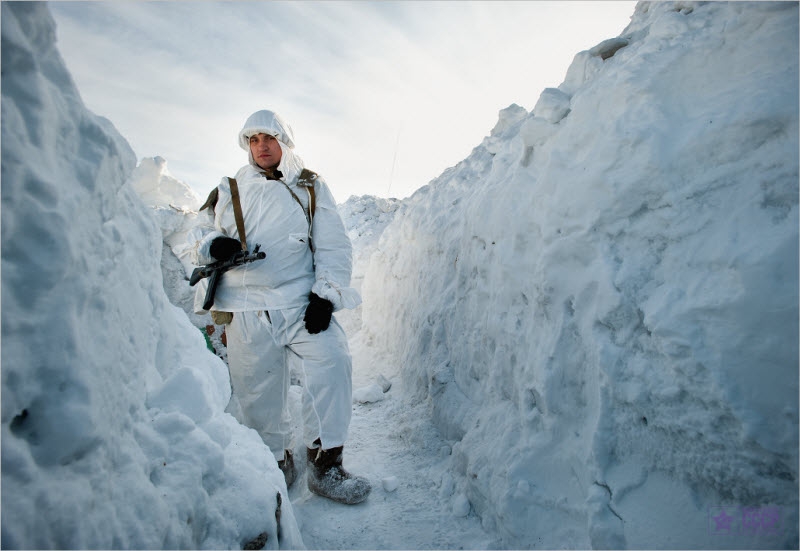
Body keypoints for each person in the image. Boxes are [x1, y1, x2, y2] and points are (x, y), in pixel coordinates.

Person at [187, 109, 370, 505]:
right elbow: (199, 230)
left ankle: (326, 462)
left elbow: (334, 243)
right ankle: (274, 460)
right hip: (245, 307)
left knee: (334, 363)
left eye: (269, 138)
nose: (261, 147)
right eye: (253, 140)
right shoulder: (229, 187)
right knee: (257, 392)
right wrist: (211, 244)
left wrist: (327, 293)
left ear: (284, 142)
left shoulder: (309, 185)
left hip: (300, 302)